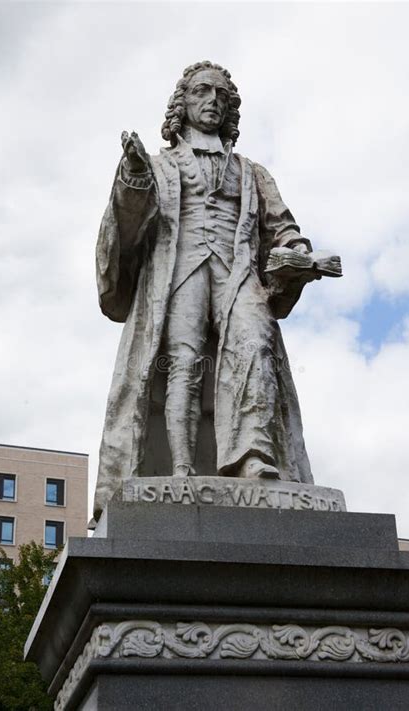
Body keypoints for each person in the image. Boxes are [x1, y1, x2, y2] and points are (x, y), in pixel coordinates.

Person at [93, 60, 314, 520]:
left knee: (256, 346)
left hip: (237, 274)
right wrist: (133, 178)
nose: (212, 101)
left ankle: (254, 457)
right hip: (181, 270)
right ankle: (180, 469)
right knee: (184, 365)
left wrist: (296, 252)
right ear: (183, 104)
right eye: (201, 92)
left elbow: (283, 227)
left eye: (220, 95)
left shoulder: (252, 172)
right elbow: (126, 226)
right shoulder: (160, 165)